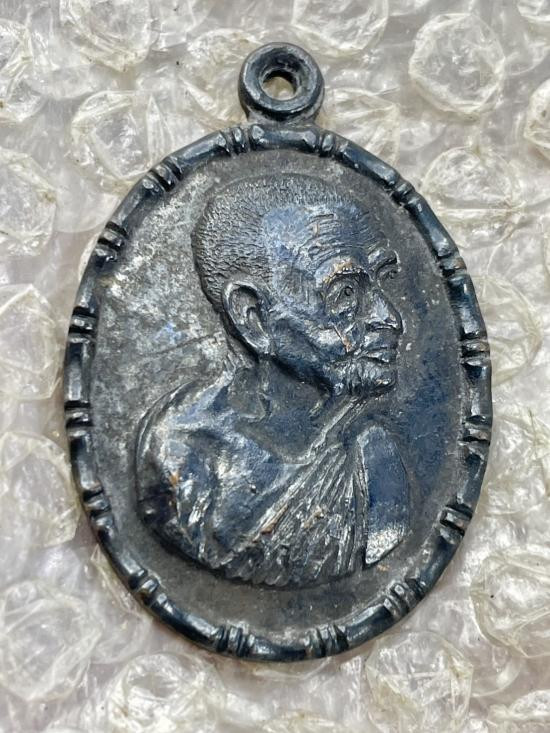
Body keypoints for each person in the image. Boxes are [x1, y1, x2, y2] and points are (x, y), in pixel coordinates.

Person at [135, 173, 410, 588]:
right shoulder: (183, 464)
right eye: (345, 295)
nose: (391, 319)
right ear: (254, 319)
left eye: (382, 283)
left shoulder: (375, 464)